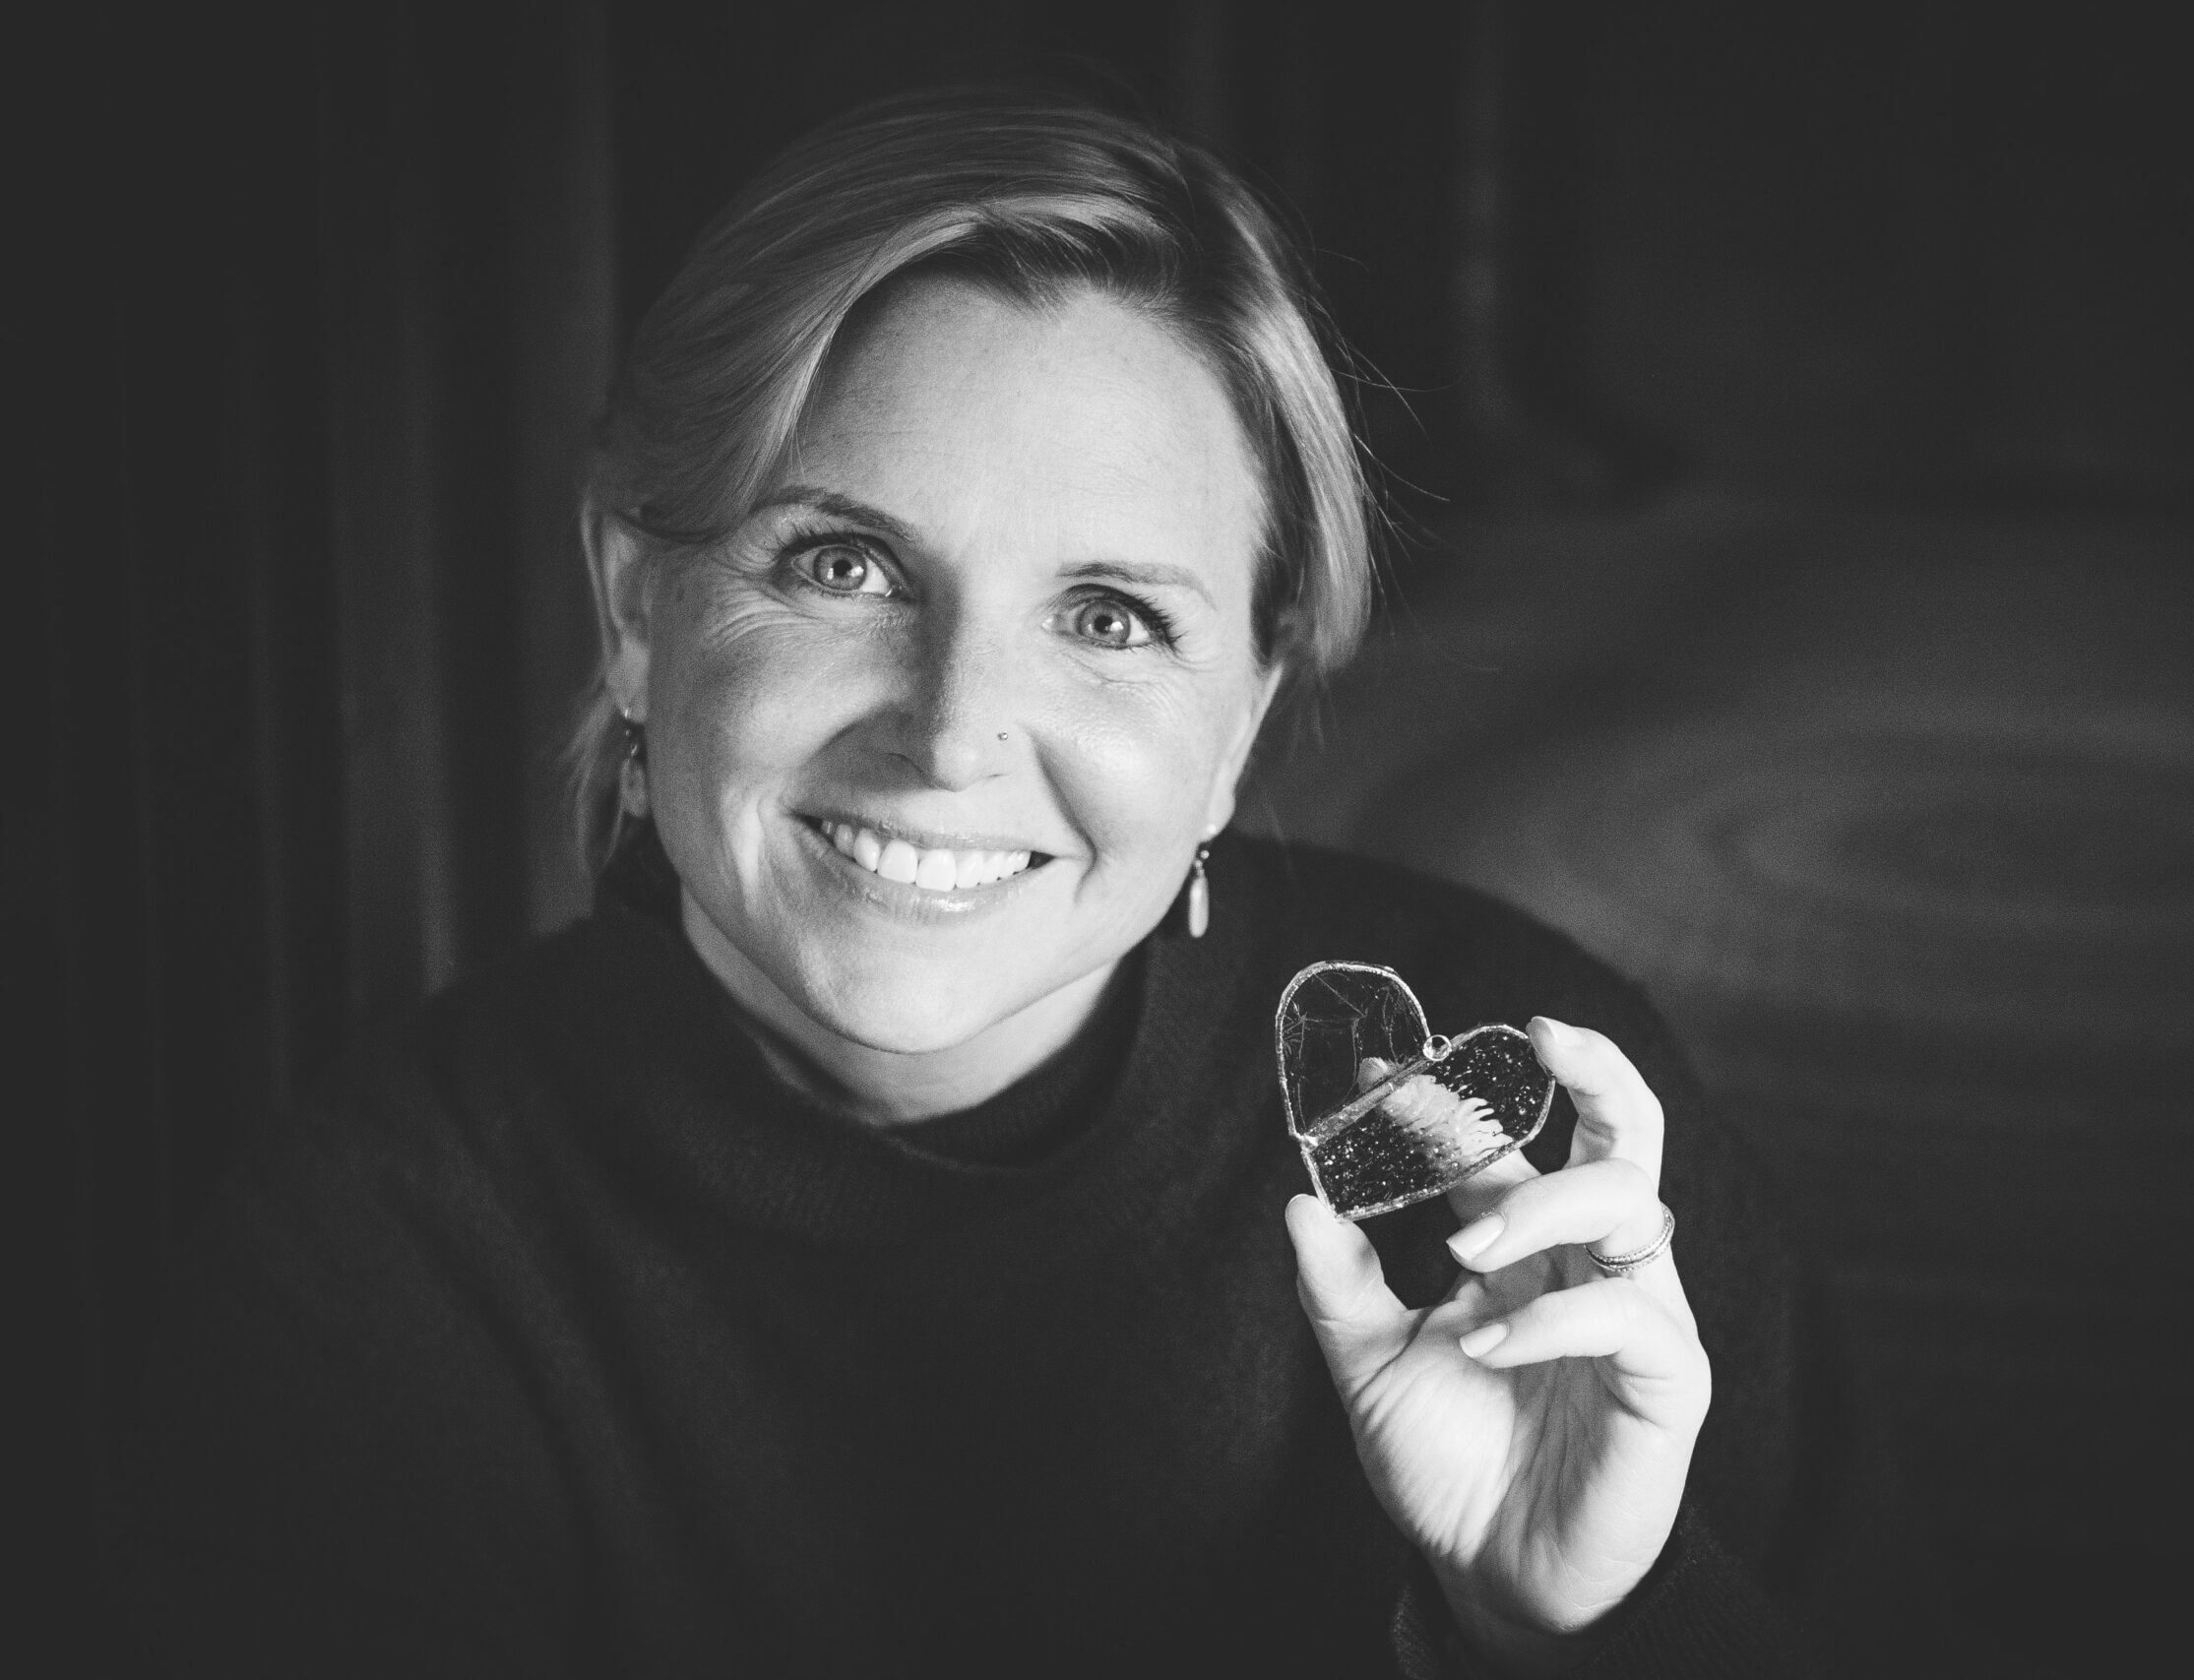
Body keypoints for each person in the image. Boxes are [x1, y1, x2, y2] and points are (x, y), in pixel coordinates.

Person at [112, 89, 1929, 1676]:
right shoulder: (372, 1273)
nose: (955, 732)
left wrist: (1587, 1635)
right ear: (635, 609)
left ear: (1246, 715)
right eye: (841, 565)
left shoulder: (1512, 1123)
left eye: (1112, 617)